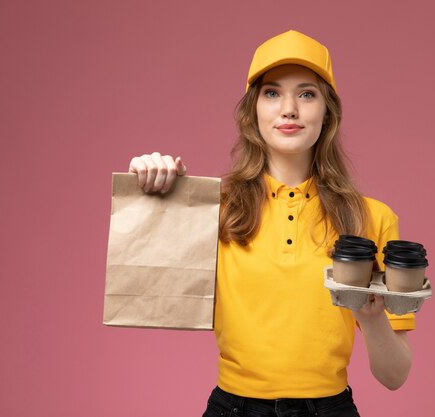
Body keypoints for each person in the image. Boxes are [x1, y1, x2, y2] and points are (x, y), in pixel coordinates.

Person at [128, 30, 415, 417]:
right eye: (273, 93)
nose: (290, 109)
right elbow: (149, 287)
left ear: (327, 111)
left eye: (307, 94)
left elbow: (394, 375)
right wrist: (149, 190)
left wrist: (371, 314)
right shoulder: (214, 208)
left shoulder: (372, 218)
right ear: (253, 111)